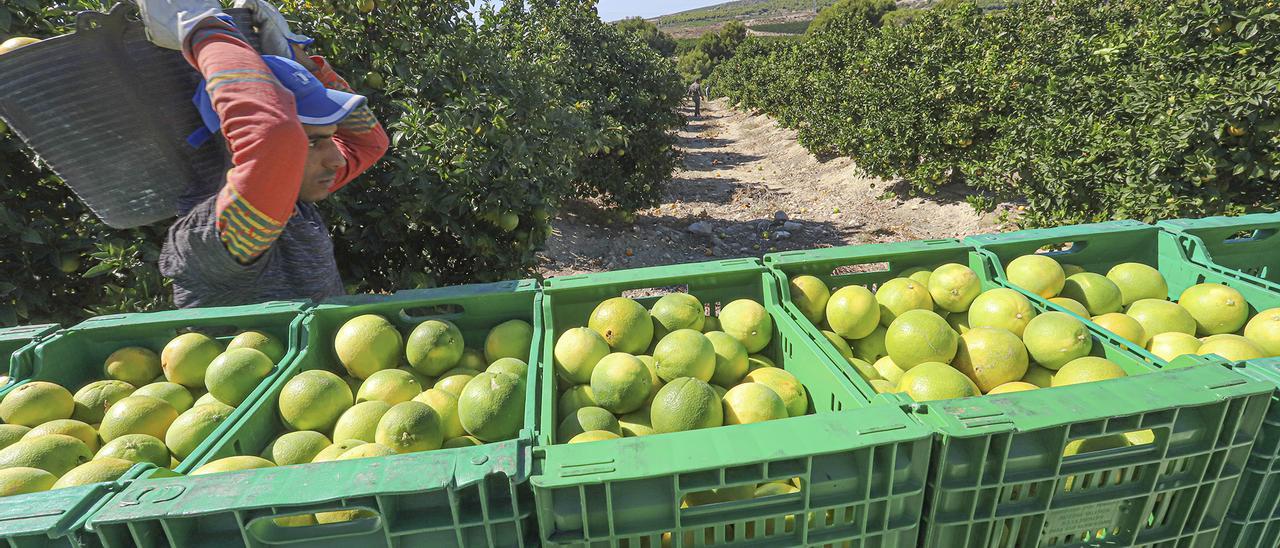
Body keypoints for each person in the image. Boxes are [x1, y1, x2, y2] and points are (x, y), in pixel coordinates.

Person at [137, 0, 389, 308]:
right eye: (311, 142)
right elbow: (274, 140)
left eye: (329, 138)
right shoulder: (213, 234)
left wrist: (304, 67)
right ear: (237, 144)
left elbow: (370, 143)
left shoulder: (292, 196)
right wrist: (201, 27)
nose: (336, 158)